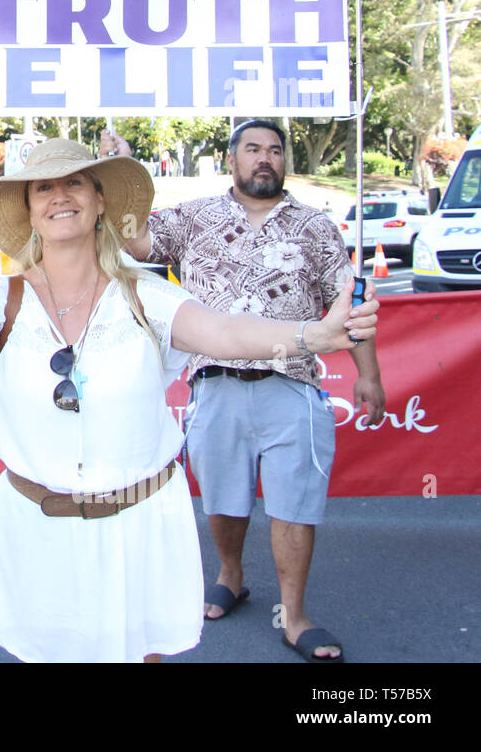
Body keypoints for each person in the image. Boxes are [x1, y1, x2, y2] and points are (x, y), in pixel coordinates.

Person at [0, 138, 377, 663]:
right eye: (44, 188)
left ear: (100, 201)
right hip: (38, 524)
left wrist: (311, 337)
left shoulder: (147, 293)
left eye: (77, 183)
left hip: (141, 521)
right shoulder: (0, 299)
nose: (60, 196)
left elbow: (226, 334)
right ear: (29, 210)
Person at [101, 121, 385, 663]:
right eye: (252, 149)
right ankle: (230, 577)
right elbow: (129, 237)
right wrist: (124, 168)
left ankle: (294, 618)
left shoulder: (316, 227)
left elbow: (346, 305)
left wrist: (369, 374)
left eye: (275, 151)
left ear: (284, 162)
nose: (264, 159)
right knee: (224, 500)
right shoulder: (193, 218)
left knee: (294, 506)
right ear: (231, 159)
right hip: (214, 384)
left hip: (293, 386)